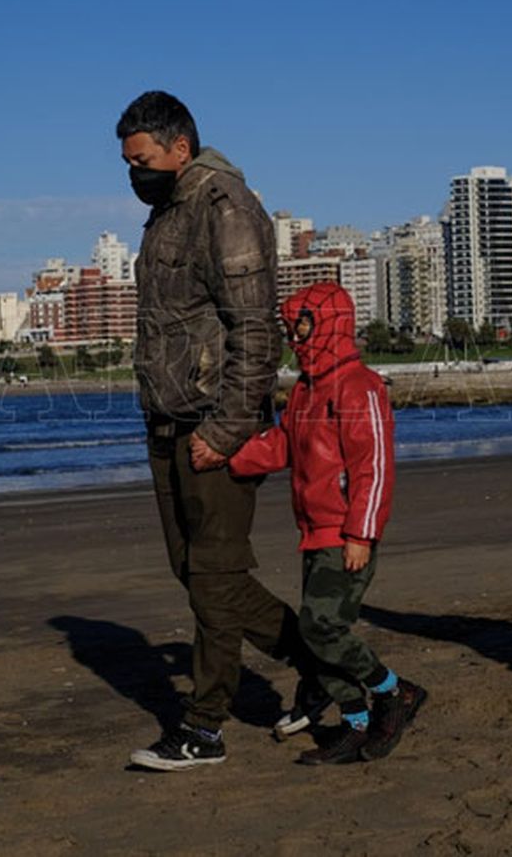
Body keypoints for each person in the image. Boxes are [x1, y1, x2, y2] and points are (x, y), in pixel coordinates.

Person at [117, 91, 316, 771]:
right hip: (166, 423)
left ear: (179, 147)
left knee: (212, 577)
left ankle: (203, 727)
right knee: (198, 573)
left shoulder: (223, 208)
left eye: (141, 160)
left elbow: (256, 332)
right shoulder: (166, 212)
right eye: (126, 163)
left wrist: (228, 429)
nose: (133, 174)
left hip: (212, 427)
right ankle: (325, 667)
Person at [230, 283, 427, 764]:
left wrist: (360, 534)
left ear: (328, 325)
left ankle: (393, 691)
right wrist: (232, 457)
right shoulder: (304, 390)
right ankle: (357, 723)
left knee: (321, 629)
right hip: (313, 533)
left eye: (303, 323)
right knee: (319, 636)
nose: (295, 333)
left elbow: (373, 467)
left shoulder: (360, 386)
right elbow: (284, 446)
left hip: (345, 535)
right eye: (292, 324)